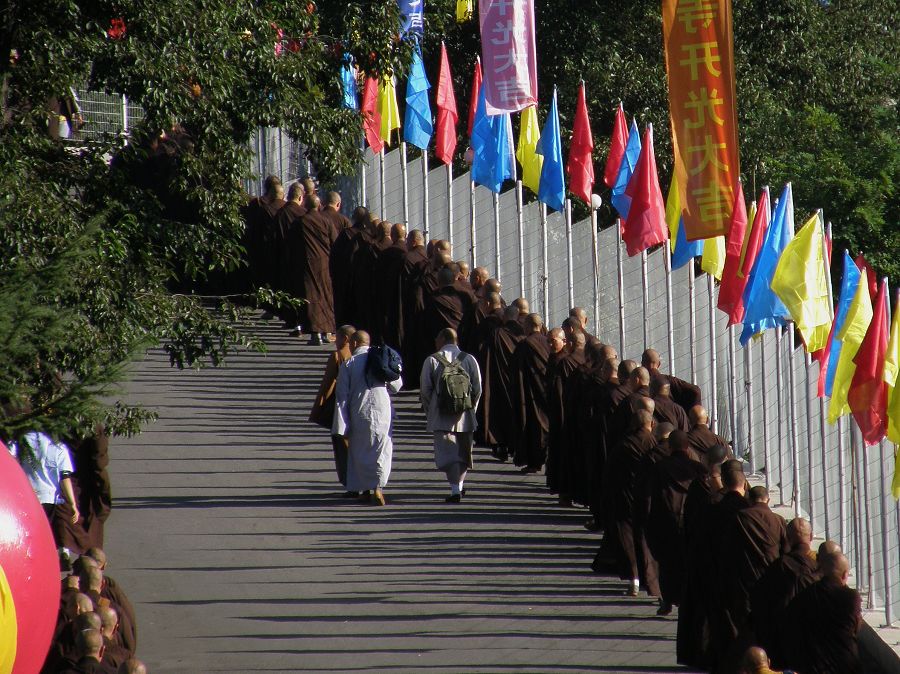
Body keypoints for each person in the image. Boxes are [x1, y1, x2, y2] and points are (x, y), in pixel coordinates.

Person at [332, 330, 403, 506]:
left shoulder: (349, 364)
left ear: (354, 343)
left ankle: (364, 490)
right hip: (382, 409)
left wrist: (341, 425)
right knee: (382, 448)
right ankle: (378, 488)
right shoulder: (380, 358)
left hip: (359, 409)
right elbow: (397, 384)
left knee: (359, 450)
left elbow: (341, 396)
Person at [644, 429, 706, 615]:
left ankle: (666, 600)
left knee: (666, 563)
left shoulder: (659, 468)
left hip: (665, 520)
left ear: (670, 447)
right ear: (687, 447)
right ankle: (687, 600)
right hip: (691, 522)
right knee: (688, 563)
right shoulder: (698, 469)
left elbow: (649, 496)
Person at [420, 328, 483, 502]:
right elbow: (477, 388)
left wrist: (430, 410)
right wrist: (470, 409)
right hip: (465, 414)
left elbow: (425, 390)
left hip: (441, 414)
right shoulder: (469, 359)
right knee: (463, 452)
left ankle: (455, 490)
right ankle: (459, 487)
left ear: (442, 339)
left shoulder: (432, 360)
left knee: (447, 453)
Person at [749, 518, 819, 665]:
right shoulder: (818, 567)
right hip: (814, 641)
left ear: (787, 538)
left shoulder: (779, 566)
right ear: (811, 537)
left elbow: (759, 599)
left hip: (782, 639)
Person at [605, 409, 658, 596]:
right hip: (651, 497)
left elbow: (611, 471)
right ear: (651, 424)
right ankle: (654, 582)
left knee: (627, 537)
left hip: (627, 494)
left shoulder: (624, 445)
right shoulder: (656, 444)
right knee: (650, 539)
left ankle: (634, 578)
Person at [781, 552, 862, 673]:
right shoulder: (851, 597)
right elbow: (856, 627)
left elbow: (790, 625)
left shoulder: (806, 595)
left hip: (814, 665)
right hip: (845, 664)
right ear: (845, 575)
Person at [8, 431, 80, 567]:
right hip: (49, 497)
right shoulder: (59, 447)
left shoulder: (21, 440)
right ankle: (49, 559)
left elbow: (9, 457)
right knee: (47, 531)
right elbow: (65, 477)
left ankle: (29, 560)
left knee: (29, 531)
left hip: (27, 495)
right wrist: (72, 504)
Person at [310, 325, 356, 492]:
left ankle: (349, 483)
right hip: (360, 405)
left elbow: (328, 383)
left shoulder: (338, 356)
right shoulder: (361, 356)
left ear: (345, 339)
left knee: (342, 445)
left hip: (341, 406)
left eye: (337, 337)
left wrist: (319, 406)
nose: (334, 341)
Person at [478, 305, 523, 461]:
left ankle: (502, 446)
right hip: (519, 382)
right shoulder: (524, 334)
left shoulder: (497, 334)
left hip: (500, 379)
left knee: (500, 414)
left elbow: (485, 354)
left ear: (505, 318)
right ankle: (516, 447)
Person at [294, 194, 337, 345]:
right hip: (325, 262)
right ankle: (327, 332)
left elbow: (292, 243)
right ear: (319, 206)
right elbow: (334, 241)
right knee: (326, 295)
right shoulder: (326, 221)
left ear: (305, 205)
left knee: (311, 296)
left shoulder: (300, 221)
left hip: (306, 262)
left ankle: (315, 334)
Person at [513, 313, 551, 473]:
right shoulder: (549, 341)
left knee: (534, 426)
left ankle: (535, 462)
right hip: (549, 389)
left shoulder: (525, 344)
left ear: (527, 326)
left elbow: (516, 369)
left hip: (532, 392)